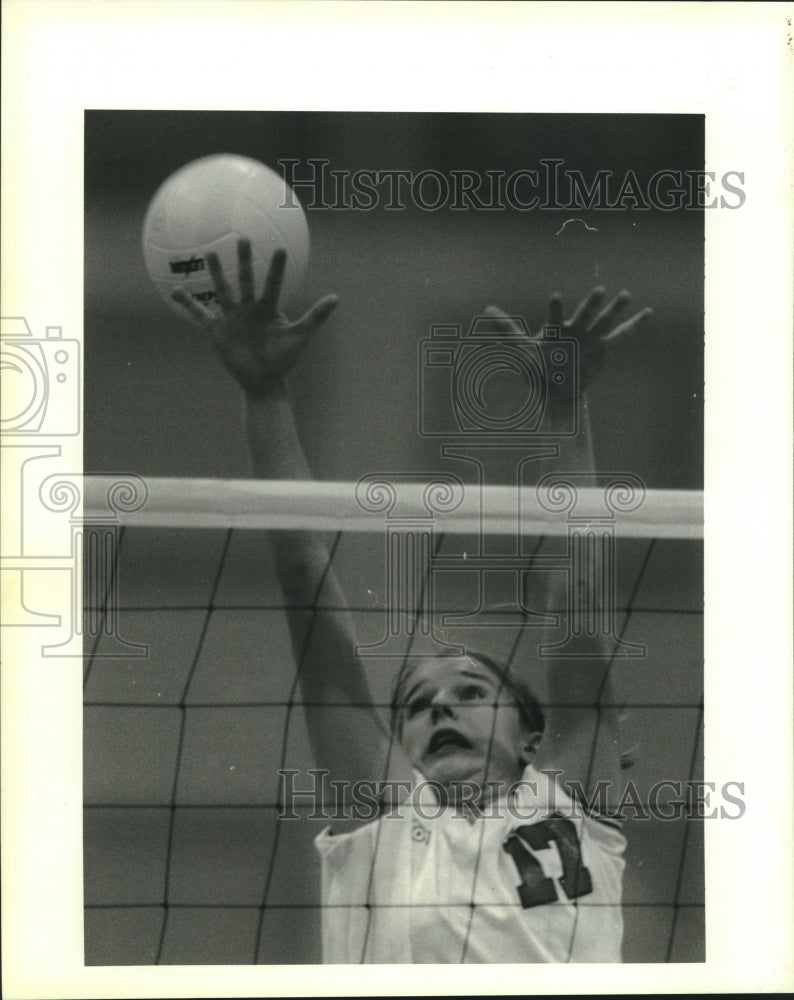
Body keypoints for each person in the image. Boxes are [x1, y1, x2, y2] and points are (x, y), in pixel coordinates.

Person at [173, 239, 652, 964]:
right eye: (415, 706)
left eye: (469, 691)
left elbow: (579, 600)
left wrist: (566, 411)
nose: (437, 708)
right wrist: (264, 397)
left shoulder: (569, 801)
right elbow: (305, 579)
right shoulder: (384, 813)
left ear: (533, 738)